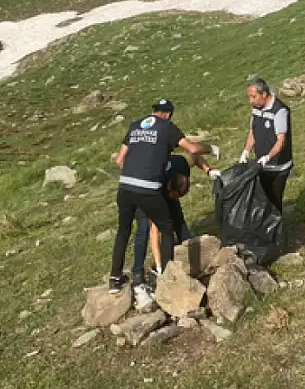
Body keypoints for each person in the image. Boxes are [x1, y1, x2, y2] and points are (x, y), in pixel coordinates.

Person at [110, 99, 212, 295]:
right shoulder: (167, 127)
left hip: (125, 186)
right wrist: (211, 149)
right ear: (168, 114)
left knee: (123, 230)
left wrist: (134, 174)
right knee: (166, 227)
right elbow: (192, 149)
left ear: (152, 111)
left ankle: (114, 279)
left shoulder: (135, 126)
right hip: (148, 187)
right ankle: (167, 276)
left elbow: (119, 159)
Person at [131, 151, 220, 308]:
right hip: (140, 190)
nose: (176, 199)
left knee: (176, 215)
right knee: (144, 229)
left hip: (163, 182)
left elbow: (195, 154)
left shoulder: (180, 164)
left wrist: (209, 170)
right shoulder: (156, 192)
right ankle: (140, 276)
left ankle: (186, 242)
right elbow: (155, 232)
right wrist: (160, 268)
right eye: (174, 196)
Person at [239, 78, 293, 212]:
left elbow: (281, 141)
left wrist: (268, 157)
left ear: (264, 94)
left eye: (253, 97)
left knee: (274, 202)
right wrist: (246, 151)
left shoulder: (280, 111)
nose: (250, 101)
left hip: (278, 166)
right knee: (263, 201)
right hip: (262, 165)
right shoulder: (256, 108)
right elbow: (253, 131)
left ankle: (276, 229)